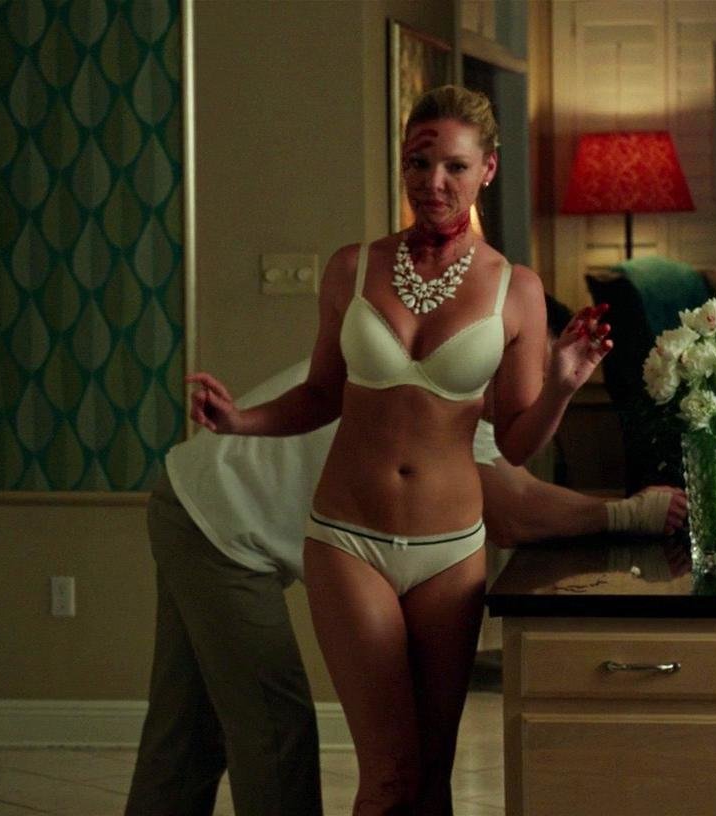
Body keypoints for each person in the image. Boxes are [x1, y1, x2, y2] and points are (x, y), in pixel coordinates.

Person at [181, 85, 614, 814]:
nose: (432, 183)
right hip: (348, 540)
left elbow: (514, 443)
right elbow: (321, 394)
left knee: (432, 779)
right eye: (418, 163)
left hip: (451, 551)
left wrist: (562, 387)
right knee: (387, 775)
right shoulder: (352, 268)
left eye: (454, 166)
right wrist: (239, 420)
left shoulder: (516, 289)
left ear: (488, 169)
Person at [126, 359, 686, 816]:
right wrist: (627, 513)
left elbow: (513, 488)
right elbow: (514, 512)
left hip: (191, 495)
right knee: (275, 728)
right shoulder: (440, 390)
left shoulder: (457, 389)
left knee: (185, 731)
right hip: (216, 522)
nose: (533, 388)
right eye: (533, 368)